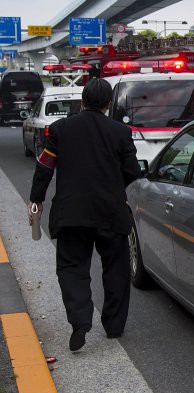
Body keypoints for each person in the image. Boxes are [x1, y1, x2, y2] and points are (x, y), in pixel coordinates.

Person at [28, 78, 140, 351]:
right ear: (108, 103)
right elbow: (133, 172)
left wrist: (36, 200)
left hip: (71, 212)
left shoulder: (60, 129)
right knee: (116, 269)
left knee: (71, 267)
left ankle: (80, 320)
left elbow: (45, 166)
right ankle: (113, 327)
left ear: (83, 100)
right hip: (110, 212)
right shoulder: (120, 133)